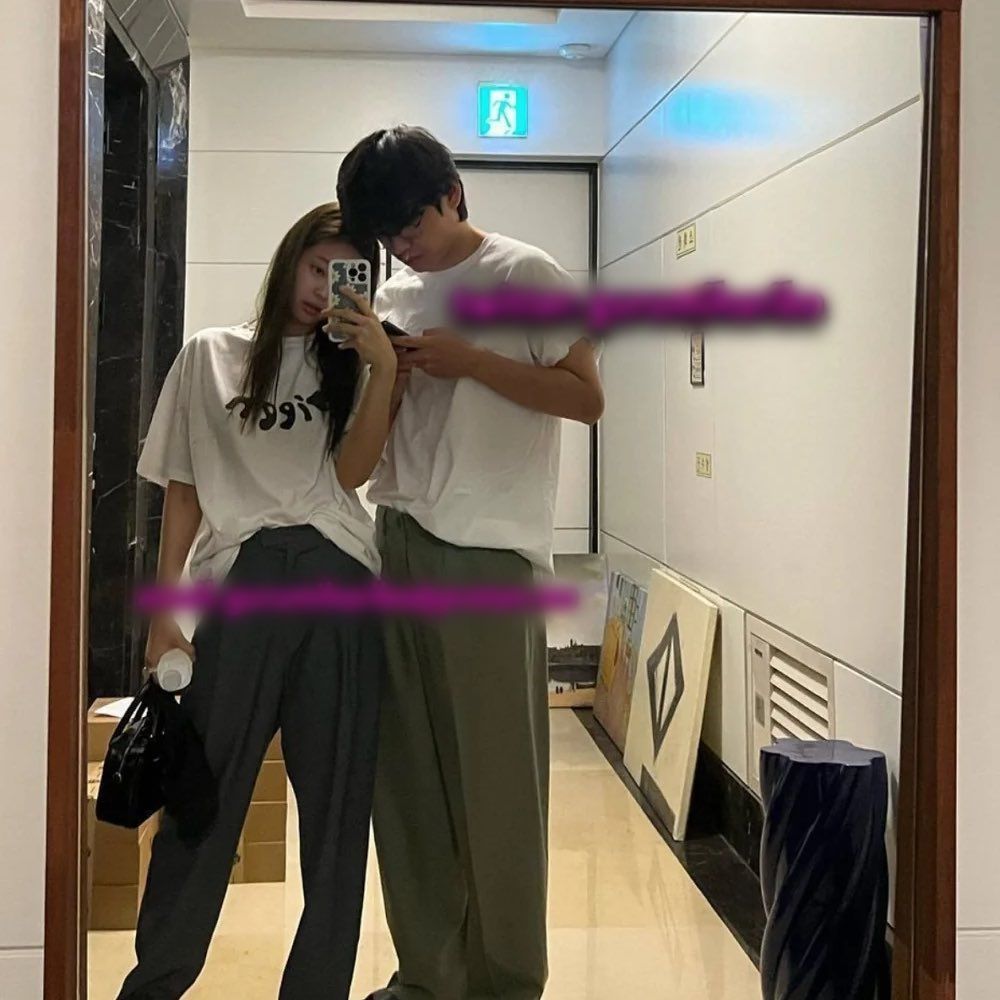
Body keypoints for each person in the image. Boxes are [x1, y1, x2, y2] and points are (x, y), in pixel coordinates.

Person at [337, 126, 605, 1000]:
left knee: (498, 785)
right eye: (386, 232)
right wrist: (389, 371)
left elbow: (587, 398)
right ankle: (428, 975)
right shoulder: (397, 290)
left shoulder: (525, 275)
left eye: (409, 222)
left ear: (452, 193)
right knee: (406, 783)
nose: (401, 244)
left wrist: (474, 363)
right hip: (396, 541)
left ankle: (507, 979)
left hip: (488, 557)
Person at [118, 203, 396, 999]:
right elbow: (182, 490)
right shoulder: (210, 355)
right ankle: (156, 981)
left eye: (343, 276)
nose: (322, 288)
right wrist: (164, 610)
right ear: (289, 261)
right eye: (316, 268)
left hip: (339, 583)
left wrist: (382, 368)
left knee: (337, 815)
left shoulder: (355, 366)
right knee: (201, 800)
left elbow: (352, 477)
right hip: (240, 584)